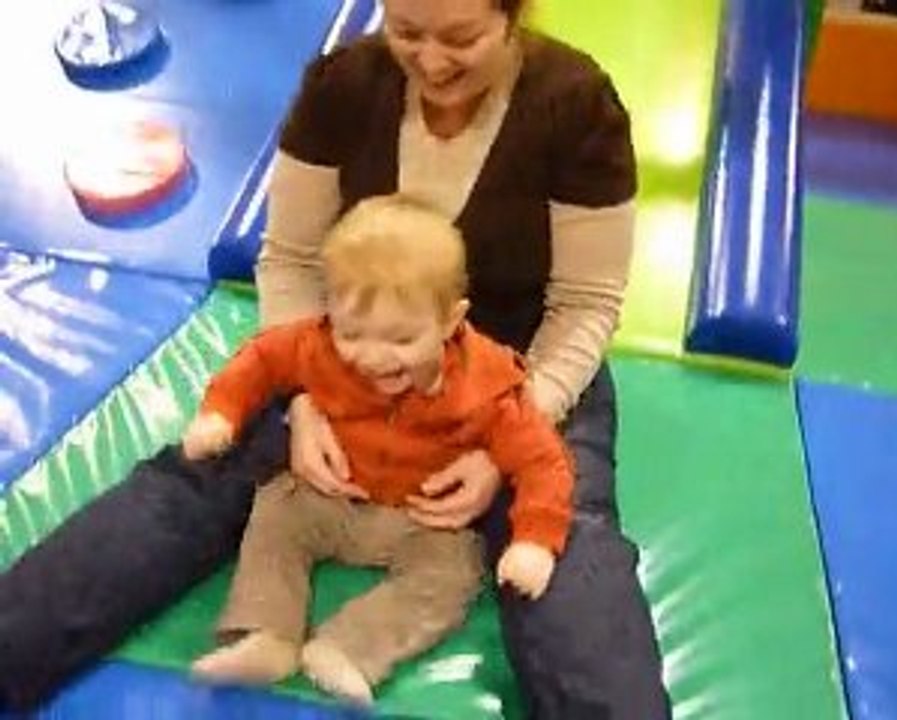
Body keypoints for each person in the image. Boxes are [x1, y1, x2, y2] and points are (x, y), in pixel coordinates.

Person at [0, 0, 671, 717]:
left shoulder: (574, 105)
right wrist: (305, 399)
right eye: (407, 32)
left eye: (461, 38)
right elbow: (289, 257)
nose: (432, 60)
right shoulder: (344, 87)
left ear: (514, 16)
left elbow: (585, 304)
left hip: (520, 370)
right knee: (199, 480)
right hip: (348, 355)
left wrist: (506, 436)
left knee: (567, 540)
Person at [182, 195, 574, 705]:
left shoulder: (489, 386)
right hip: (330, 496)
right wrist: (220, 413)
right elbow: (257, 363)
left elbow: (544, 462)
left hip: (424, 521)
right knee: (275, 512)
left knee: (455, 573)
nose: (371, 356)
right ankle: (269, 635)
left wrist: (535, 541)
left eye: (402, 339)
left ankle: (350, 649)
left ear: (452, 320)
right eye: (352, 333)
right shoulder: (314, 345)